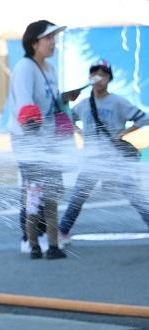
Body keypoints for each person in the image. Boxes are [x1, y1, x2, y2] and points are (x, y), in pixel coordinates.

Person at [7, 20, 78, 259]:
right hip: (29, 140)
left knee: (52, 189)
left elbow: (52, 101)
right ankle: (29, 239)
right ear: (34, 42)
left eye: (54, 38)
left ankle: (48, 238)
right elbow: (26, 107)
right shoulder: (25, 68)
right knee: (34, 188)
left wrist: (66, 98)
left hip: (48, 139)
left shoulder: (50, 68)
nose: (53, 42)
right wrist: (36, 144)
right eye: (48, 38)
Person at [59, 60, 149, 241]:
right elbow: (67, 118)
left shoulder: (118, 102)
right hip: (91, 159)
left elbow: (144, 118)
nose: (99, 79)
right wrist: (78, 130)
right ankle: (62, 232)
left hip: (116, 158)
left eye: (103, 75)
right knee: (78, 195)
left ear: (109, 79)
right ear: (89, 78)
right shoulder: (84, 104)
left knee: (134, 195)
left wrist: (123, 133)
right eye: (95, 74)